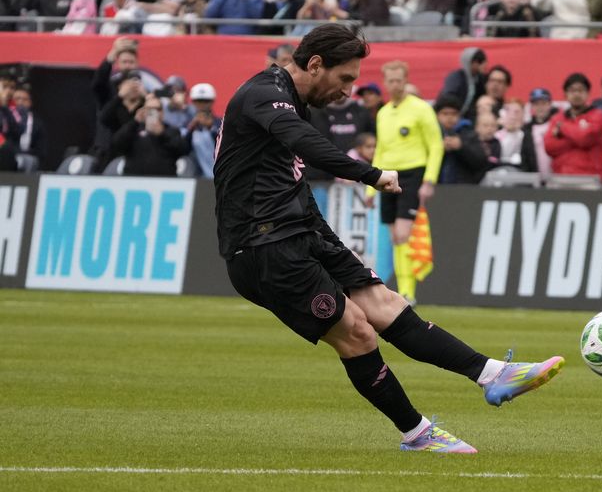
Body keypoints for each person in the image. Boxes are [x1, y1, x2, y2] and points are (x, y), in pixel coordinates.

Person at [213, 24, 565, 453]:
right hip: (262, 248)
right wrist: (371, 173)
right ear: (316, 64)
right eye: (344, 79)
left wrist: (325, 240)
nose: (347, 92)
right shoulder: (263, 94)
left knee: (387, 303)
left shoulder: (287, 100)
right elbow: (302, 142)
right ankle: (417, 434)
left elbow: (291, 182)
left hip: (297, 231)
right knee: (358, 333)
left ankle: (492, 375)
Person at [367, 60, 443, 305]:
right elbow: (380, 150)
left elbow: (435, 144)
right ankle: (403, 291)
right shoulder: (383, 113)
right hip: (388, 174)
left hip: (412, 173)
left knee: (403, 233)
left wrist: (429, 180)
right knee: (394, 236)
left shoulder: (421, 109)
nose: (395, 84)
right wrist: (371, 185)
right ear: (385, 82)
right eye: (391, 80)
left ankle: (408, 292)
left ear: (406, 79)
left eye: (399, 80)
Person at [544, 72, 602, 179]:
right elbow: (550, 147)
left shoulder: (598, 116)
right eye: (572, 90)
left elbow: (585, 139)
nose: (577, 94)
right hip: (561, 176)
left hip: (590, 178)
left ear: (588, 93)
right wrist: (577, 136)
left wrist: (562, 129)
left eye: (581, 90)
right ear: (565, 94)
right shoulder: (557, 118)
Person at [112, 93, 190, 176]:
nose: (153, 112)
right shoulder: (134, 128)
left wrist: (162, 134)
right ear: (143, 111)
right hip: (135, 180)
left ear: (162, 112)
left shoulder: (171, 130)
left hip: (163, 181)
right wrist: (134, 122)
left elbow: (183, 149)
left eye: (157, 109)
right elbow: (116, 144)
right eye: (149, 109)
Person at [435, 94, 489, 184]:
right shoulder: (430, 133)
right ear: (437, 115)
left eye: (454, 113)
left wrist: (461, 147)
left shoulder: (469, 133)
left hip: (463, 188)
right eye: (445, 113)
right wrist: (439, 149)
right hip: (435, 187)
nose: (450, 117)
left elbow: (481, 161)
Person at [437, 47, 487, 118]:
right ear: (473, 63)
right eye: (481, 63)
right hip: (452, 116)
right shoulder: (456, 77)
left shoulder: (479, 79)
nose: (485, 66)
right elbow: (448, 97)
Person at [185, 82, 220, 178]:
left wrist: (211, 128)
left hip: (219, 176)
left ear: (212, 102)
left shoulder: (220, 123)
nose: (202, 105)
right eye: (198, 101)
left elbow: (225, 146)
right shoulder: (187, 123)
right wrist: (191, 129)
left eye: (206, 101)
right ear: (193, 102)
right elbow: (182, 148)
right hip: (196, 177)